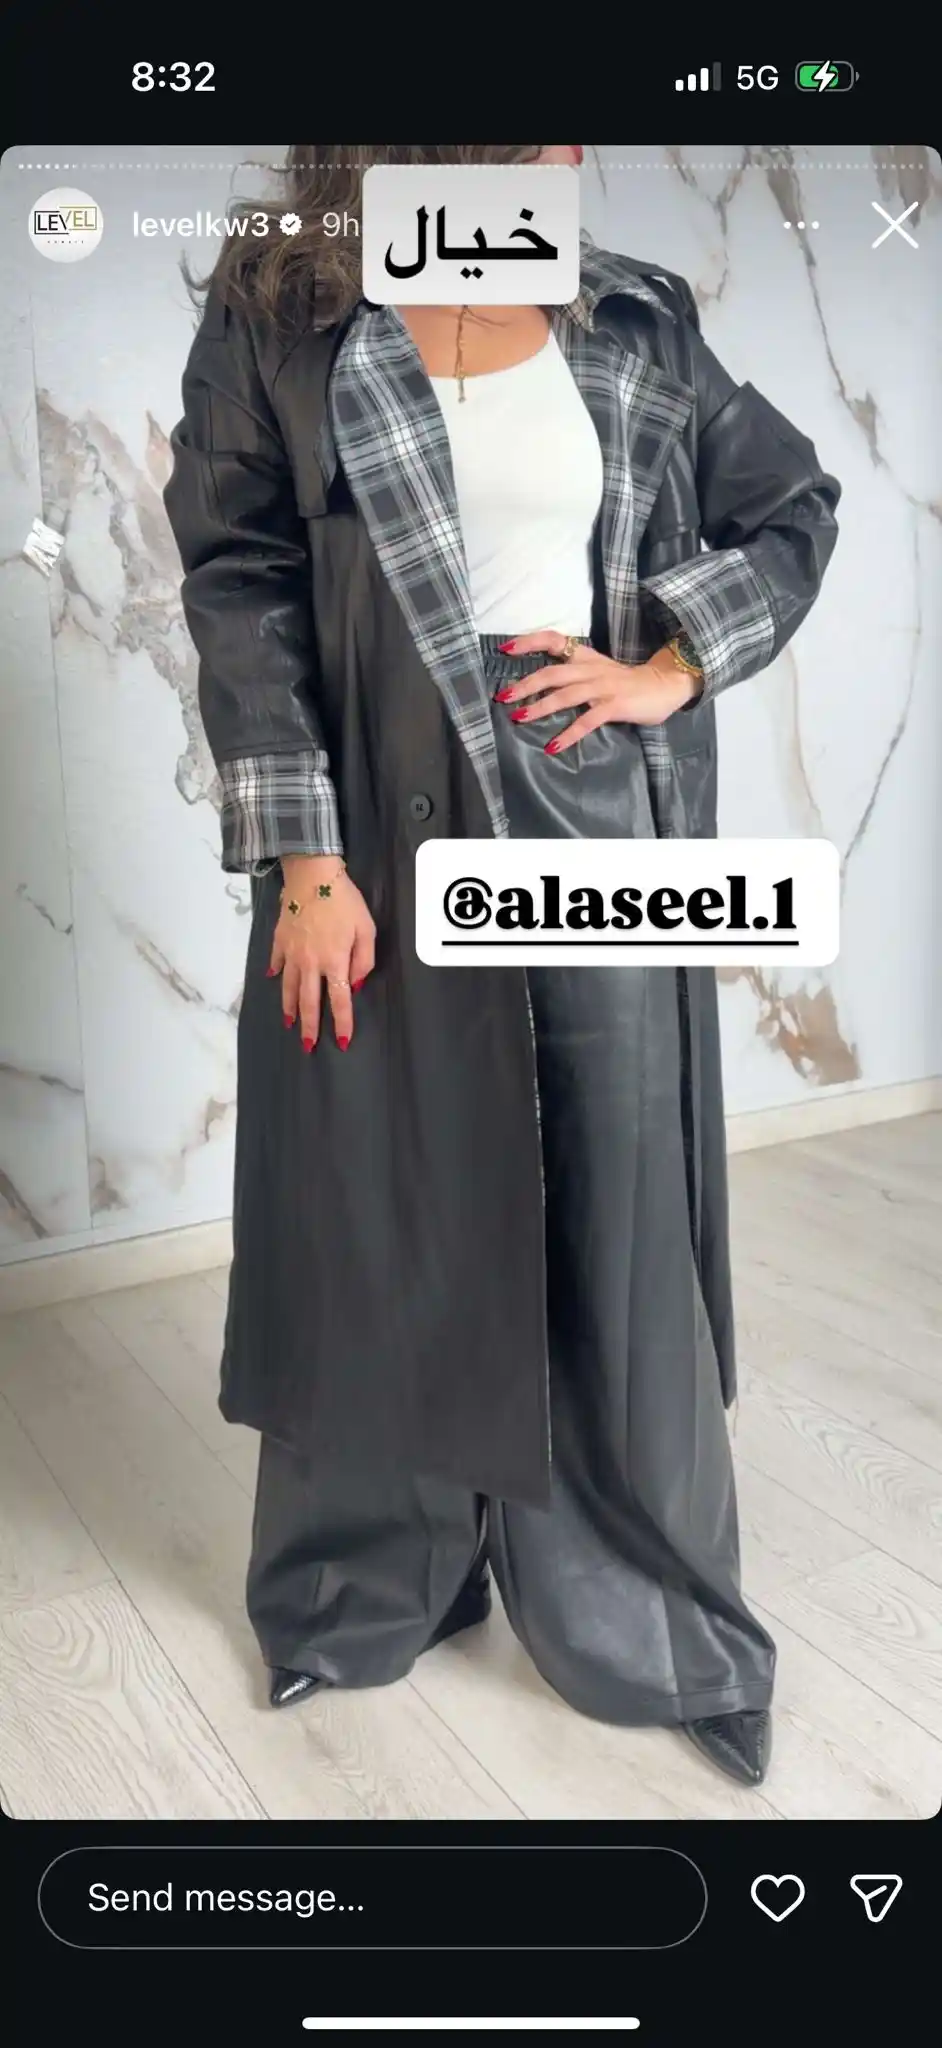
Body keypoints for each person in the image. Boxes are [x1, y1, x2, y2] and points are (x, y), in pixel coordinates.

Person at [163, 143, 840, 1788]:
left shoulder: (631, 312)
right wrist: (303, 860)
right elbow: (239, 578)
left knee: (612, 1205)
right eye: (542, 124)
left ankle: (654, 1611)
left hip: (591, 816)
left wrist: (666, 667)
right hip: (370, 827)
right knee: (371, 1201)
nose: (575, 153)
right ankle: (364, 1580)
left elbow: (789, 505)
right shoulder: (284, 313)